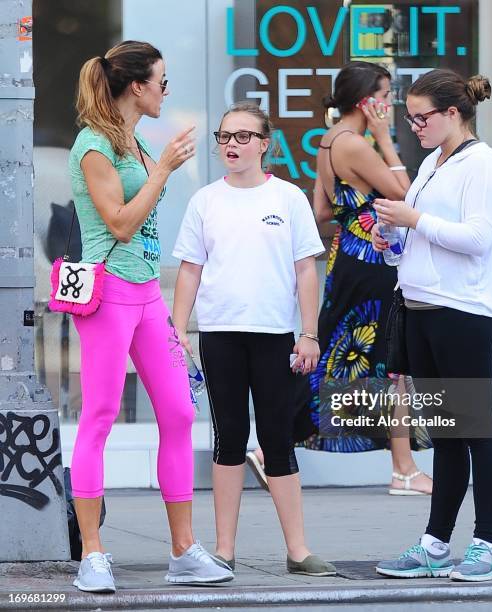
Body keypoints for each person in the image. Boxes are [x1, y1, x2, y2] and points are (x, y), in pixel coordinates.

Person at [68, 40, 233, 593]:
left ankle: (184, 551)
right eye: (162, 81)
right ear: (136, 86)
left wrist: (154, 163)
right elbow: (118, 223)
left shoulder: (131, 141)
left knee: (180, 413)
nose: (167, 91)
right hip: (108, 291)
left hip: (146, 296)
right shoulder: (94, 145)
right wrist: (161, 169)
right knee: (100, 415)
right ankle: (92, 553)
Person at [247, 61, 432, 495]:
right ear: (366, 100)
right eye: (384, 97)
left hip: (347, 255)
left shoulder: (329, 142)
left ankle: (270, 444)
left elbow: (322, 212)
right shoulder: (357, 144)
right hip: (372, 260)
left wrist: (357, 214)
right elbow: (407, 195)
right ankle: (403, 470)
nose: (388, 106)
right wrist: (386, 140)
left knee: (337, 355)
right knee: (389, 362)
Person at [172, 101, 336, 577]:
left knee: (278, 439)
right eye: (224, 137)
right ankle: (224, 549)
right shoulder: (205, 200)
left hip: (275, 337)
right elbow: (190, 269)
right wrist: (177, 329)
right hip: (221, 335)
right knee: (228, 440)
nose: (232, 145)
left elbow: (306, 269)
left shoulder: (287, 198)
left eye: (244, 136)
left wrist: (309, 333)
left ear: (265, 144)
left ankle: (299, 551)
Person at [372, 69, 492, 582]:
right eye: (410, 118)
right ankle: (435, 544)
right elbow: (428, 239)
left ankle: (486, 547)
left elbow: (477, 237)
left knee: (477, 429)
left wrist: (414, 222)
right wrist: (394, 241)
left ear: (454, 113)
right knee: (447, 435)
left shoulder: (485, 164)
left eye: (422, 117)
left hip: (464, 312)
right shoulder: (433, 162)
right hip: (421, 307)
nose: (415, 126)